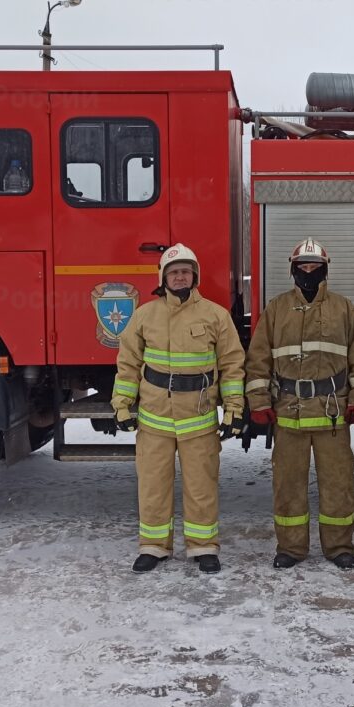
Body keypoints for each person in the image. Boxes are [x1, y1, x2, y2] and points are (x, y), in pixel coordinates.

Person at [111, 243, 247, 574]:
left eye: (186, 271)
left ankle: (203, 547)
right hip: (155, 418)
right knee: (153, 484)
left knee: (201, 486)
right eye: (174, 272)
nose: (180, 277)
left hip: (198, 418)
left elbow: (231, 365)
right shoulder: (145, 315)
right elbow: (128, 363)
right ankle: (153, 546)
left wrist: (234, 409)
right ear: (164, 278)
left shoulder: (216, 315)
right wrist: (122, 405)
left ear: (194, 276)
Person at [245, 238, 354, 570]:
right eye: (303, 267)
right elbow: (257, 361)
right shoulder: (276, 310)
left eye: (316, 267)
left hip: (332, 414)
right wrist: (258, 401)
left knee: (338, 484)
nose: (309, 272)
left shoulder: (345, 309)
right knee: (287, 485)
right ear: (293, 270)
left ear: (326, 269)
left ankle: (339, 546)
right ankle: (291, 547)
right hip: (289, 411)